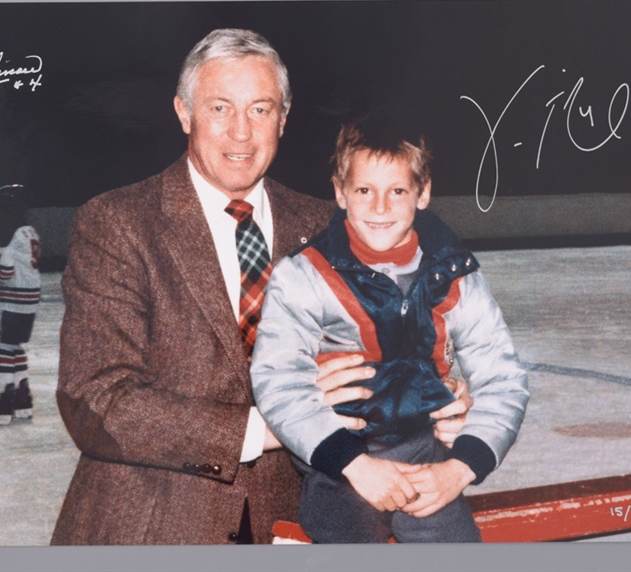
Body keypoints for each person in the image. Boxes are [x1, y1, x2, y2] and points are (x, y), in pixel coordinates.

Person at [51, 29, 472, 545]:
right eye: (220, 108)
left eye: (260, 109)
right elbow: (97, 400)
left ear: (284, 118)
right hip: (154, 525)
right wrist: (270, 427)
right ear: (184, 113)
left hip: (297, 522)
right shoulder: (119, 223)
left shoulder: (331, 226)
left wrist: (437, 388)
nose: (241, 134)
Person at [250, 119, 529, 543]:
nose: (380, 207)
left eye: (397, 191)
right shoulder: (305, 275)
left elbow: (502, 377)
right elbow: (278, 379)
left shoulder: (453, 273)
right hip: (339, 458)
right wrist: (351, 463)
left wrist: (460, 467)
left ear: (423, 192)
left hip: (421, 451)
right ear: (341, 192)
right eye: (364, 190)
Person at [0, 184, 41, 425]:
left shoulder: (5, 231)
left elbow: (5, 271)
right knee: (15, 347)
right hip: (30, 296)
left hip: (13, 299)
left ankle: (4, 404)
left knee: (1, 348)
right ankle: (23, 400)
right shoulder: (29, 230)